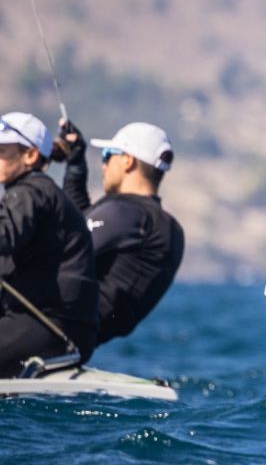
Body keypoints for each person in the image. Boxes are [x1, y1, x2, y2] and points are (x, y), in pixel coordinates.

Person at [54, 120, 184, 348]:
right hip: (81, 337)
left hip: (52, 326)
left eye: (107, 155)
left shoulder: (127, 213)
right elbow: (81, 224)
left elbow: (67, 242)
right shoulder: (163, 225)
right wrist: (76, 166)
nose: (103, 165)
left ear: (127, 160)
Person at [0, 111, 98, 375]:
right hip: (54, 326)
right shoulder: (32, 193)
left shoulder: (32, 192)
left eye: (2, 152)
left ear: (30, 156)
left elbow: (4, 236)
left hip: (53, 329)